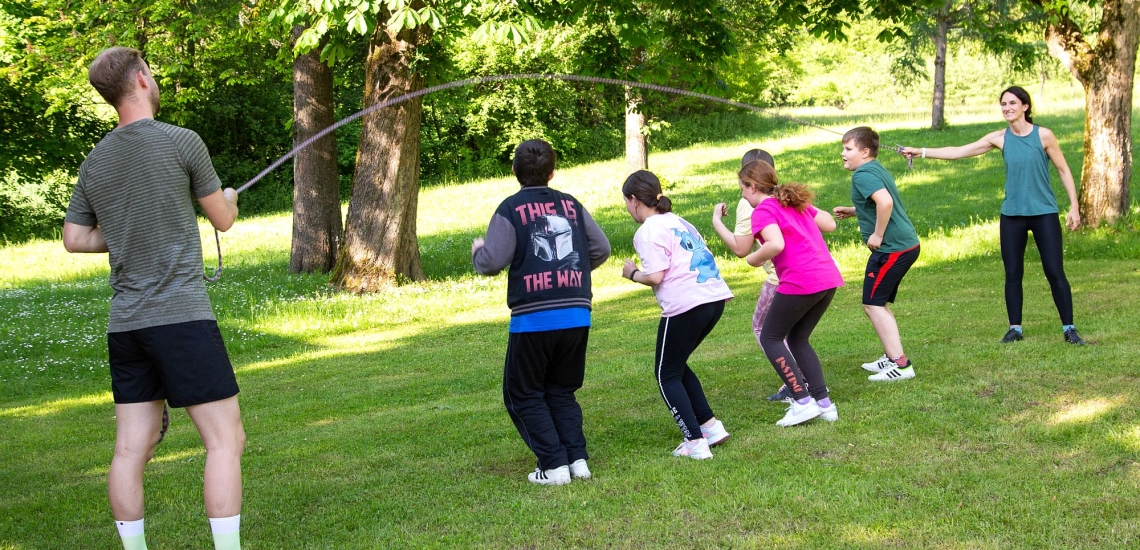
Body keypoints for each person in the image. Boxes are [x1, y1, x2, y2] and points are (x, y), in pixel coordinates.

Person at [62, 47, 245, 550]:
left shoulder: (94, 162)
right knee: (225, 440)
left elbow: (75, 238)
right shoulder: (182, 142)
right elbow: (222, 219)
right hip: (181, 318)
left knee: (129, 449)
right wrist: (228, 198)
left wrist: (122, 234)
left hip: (126, 325)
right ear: (142, 79)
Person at [472, 139, 611, 485]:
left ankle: (554, 466)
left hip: (533, 319)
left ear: (515, 172)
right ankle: (577, 461)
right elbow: (602, 248)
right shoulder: (572, 205)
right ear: (552, 172)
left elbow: (492, 261)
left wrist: (478, 251)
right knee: (561, 390)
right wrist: (569, 275)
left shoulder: (510, 208)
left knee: (522, 393)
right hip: (577, 313)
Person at [901, 86, 1085, 345]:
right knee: (1012, 273)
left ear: (1025, 106)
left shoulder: (1044, 136)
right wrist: (920, 152)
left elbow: (1064, 170)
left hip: (1044, 213)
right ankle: (1015, 329)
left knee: (1055, 271)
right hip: (1012, 215)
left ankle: (1069, 328)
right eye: (1003, 104)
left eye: (1012, 103)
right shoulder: (999, 138)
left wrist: (1074, 206)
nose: (1007, 107)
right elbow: (958, 151)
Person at [620, 170, 734, 458]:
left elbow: (655, 276)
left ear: (634, 200)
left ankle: (695, 442)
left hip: (687, 305)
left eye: (625, 201)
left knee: (665, 373)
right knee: (677, 365)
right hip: (713, 298)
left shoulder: (647, 230)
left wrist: (632, 273)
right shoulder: (676, 220)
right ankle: (710, 426)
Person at [737, 160, 845, 425]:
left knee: (771, 337)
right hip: (827, 278)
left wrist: (753, 259)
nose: (742, 195)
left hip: (801, 281)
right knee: (798, 339)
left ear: (752, 187)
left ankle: (802, 400)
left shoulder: (763, 210)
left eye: (742, 188)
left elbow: (775, 244)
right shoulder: (791, 202)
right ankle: (825, 404)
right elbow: (830, 224)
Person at [833, 126, 921, 382]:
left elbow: (886, 202)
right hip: (904, 245)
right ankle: (891, 356)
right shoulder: (875, 168)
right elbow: (876, 202)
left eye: (848, 149)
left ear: (865, 151)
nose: (843, 154)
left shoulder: (862, 175)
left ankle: (901, 365)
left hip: (891, 248)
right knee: (877, 303)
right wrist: (854, 210)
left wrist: (878, 235)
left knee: (872, 305)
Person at [711, 149, 794, 403]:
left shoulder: (749, 204)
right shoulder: (784, 194)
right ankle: (804, 380)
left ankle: (795, 381)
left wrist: (717, 221)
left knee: (763, 328)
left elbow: (740, 248)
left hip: (780, 278)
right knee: (791, 333)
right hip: (804, 272)